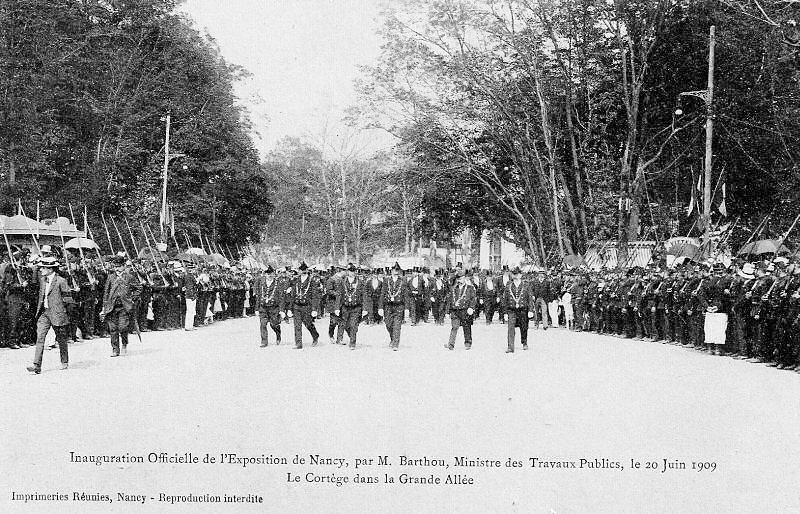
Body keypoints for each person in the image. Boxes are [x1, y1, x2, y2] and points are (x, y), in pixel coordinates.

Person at [27, 257, 73, 374]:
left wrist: (64, 314)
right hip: (44, 313)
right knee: (40, 338)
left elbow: (68, 300)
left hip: (57, 314)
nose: (41, 269)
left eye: (43, 267)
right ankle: (36, 365)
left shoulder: (61, 281)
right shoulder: (42, 280)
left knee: (61, 339)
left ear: (50, 269)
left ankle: (64, 361)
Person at [100, 256, 141, 357]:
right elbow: (106, 292)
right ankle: (115, 349)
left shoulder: (129, 277)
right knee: (113, 329)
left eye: (119, 266)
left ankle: (124, 344)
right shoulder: (110, 277)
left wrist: (132, 298)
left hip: (124, 306)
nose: (117, 268)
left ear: (123, 266)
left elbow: (139, 288)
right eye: (115, 266)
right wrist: (104, 307)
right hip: (112, 307)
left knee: (123, 327)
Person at [334, 263, 371, 349]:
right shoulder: (342, 282)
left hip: (356, 307)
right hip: (345, 306)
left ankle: (352, 343)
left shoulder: (360, 282)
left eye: (353, 271)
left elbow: (364, 296)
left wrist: (365, 309)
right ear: (347, 272)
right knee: (345, 324)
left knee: (354, 325)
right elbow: (339, 295)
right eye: (350, 271)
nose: (351, 273)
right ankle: (347, 337)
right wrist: (337, 308)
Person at [502, 267, 535, 353]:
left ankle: (524, 342)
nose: (516, 276)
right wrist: (505, 312)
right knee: (510, 328)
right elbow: (505, 299)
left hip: (523, 309)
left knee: (524, 327)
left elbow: (530, 298)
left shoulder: (526, 285)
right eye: (514, 274)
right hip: (511, 310)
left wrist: (530, 310)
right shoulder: (508, 285)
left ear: (521, 275)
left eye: (518, 274)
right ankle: (510, 347)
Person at [377, 262, 409, 351]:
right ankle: (392, 338)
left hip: (399, 306)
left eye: (397, 270)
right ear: (391, 271)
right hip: (388, 306)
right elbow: (382, 294)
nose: (396, 271)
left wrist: (406, 308)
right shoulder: (386, 281)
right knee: (388, 324)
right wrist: (380, 307)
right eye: (394, 270)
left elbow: (406, 295)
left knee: (397, 325)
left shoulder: (403, 281)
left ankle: (395, 343)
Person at [289, 262, 321, 348]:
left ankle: (315, 335)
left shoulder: (312, 281)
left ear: (307, 270)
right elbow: (293, 294)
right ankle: (298, 343)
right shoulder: (295, 280)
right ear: (299, 271)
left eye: (304, 270)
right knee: (297, 325)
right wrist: (290, 308)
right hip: (296, 305)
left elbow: (315, 295)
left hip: (307, 306)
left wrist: (314, 309)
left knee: (308, 323)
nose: (303, 271)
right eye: (301, 270)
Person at [444, 269, 477, 350]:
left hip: (465, 310)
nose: (459, 280)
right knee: (454, 327)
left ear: (464, 278)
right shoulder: (453, 289)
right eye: (458, 279)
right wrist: (447, 312)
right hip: (455, 311)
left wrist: (471, 308)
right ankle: (451, 344)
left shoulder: (470, 288)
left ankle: (468, 343)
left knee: (466, 327)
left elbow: (473, 299)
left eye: (461, 278)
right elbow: (449, 300)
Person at [254, 265, 285, 346]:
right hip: (263, 307)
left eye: (270, 274)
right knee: (263, 324)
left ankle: (278, 334)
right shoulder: (262, 283)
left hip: (274, 308)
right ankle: (264, 342)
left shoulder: (278, 284)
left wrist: (282, 310)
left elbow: (281, 297)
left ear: (273, 274)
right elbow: (259, 296)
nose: (269, 276)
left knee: (274, 324)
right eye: (267, 274)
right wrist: (256, 308)